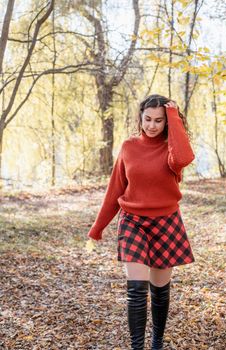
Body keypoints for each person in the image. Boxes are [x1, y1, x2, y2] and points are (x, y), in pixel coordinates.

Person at [87, 94, 196, 350]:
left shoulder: (172, 148)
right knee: (136, 291)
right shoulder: (128, 147)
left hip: (166, 223)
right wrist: (97, 227)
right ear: (140, 118)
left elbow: (182, 159)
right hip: (133, 222)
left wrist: (174, 117)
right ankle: (138, 347)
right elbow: (115, 190)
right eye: (148, 119)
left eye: (159, 120)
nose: (152, 125)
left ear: (167, 122)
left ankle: (157, 342)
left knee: (159, 292)